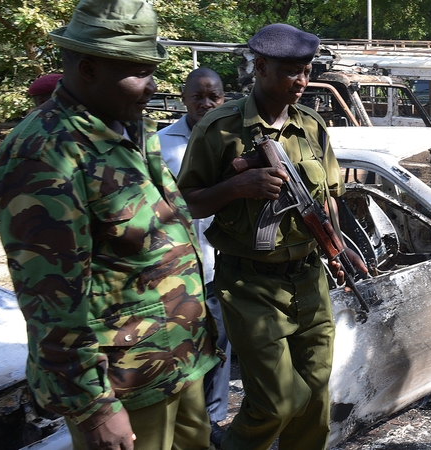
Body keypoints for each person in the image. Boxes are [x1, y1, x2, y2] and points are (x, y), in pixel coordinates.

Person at [0, 0, 220, 449]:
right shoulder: (44, 155)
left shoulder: (129, 129)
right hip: (125, 384)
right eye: (138, 72)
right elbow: (52, 301)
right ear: (88, 68)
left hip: (179, 361)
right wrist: (93, 407)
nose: (152, 87)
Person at [176, 23, 367, 450]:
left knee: (315, 400)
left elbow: (329, 199)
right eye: (290, 71)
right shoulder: (219, 128)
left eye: (307, 70)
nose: (301, 81)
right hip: (249, 284)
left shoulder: (313, 126)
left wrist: (339, 247)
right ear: (260, 67)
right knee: (279, 401)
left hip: (309, 280)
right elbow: (186, 202)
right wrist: (236, 187)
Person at [157, 67, 230, 448]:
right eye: (197, 96)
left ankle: (214, 418)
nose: (205, 104)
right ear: (184, 98)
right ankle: (187, 424)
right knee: (183, 348)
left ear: (223, 97)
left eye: (213, 97)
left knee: (219, 347)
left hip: (223, 264)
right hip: (179, 271)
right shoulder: (160, 144)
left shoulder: (233, 138)